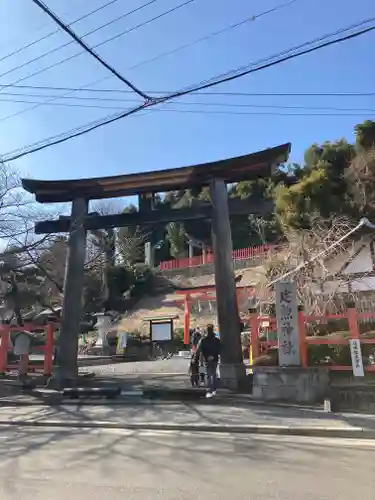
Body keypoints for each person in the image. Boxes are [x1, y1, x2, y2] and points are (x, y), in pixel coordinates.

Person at [195, 324, 221, 398]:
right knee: (214, 373)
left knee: (209, 374)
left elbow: (198, 349)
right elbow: (219, 349)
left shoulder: (203, 340)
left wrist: (196, 357)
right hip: (215, 358)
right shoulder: (216, 340)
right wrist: (214, 355)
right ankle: (214, 389)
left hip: (206, 358)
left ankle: (209, 389)